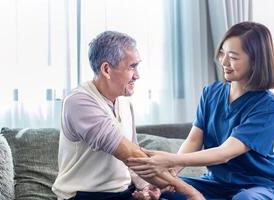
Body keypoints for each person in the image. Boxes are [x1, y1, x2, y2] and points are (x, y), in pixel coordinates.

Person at [128, 21, 274, 200]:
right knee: (167, 192)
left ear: (255, 61)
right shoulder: (211, 93)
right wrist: (169, 177)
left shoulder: (269, 109)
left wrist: (170, 159)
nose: (224, 62)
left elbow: (225, 153)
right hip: (216, 184)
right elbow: (193, 140)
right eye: (222, 53)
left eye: (234, 57)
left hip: (260, 186)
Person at [52, 30, 204, 200]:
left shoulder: (124, 102)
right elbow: (130, 155)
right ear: (106, 69)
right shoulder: (79, 102)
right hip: (84, 195)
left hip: (123, 192)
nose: (137, 76)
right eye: (132, 67)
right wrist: (190, 192)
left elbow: (133, 159)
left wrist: (146, 186)